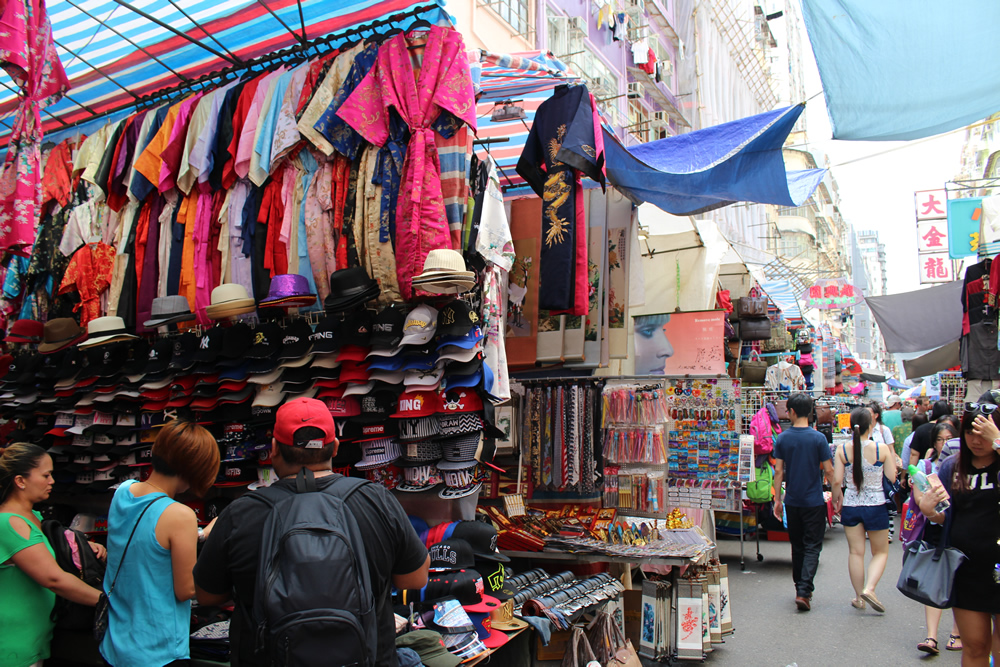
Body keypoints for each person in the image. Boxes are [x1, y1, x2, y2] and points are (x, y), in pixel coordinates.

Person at [194, 397, 430, 667]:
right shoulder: (375, 501)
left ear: (273, 449)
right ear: (336, 447)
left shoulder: (241, 514)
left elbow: (208, 596)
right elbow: (415, 578)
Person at [101, 420, 221, 667]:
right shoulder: (180, 515)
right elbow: (186, 590)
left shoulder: (123, 491)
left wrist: (198, 535)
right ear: (194, 468)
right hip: (158, 651)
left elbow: (147, 538)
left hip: (114, 644)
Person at [1, 443, 104, 667]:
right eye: (46, 475)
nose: (52, 481)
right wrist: (108, 602)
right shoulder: (10, 523)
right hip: (11, 646)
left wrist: (88, 550)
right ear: (20, 481)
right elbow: (53, 578)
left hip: (32, 642)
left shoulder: (33, 517)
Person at [917, 398, 1000, 667]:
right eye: (969, 433)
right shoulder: (953, 466)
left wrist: (998, 441)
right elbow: (947, 516)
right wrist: (930, 511)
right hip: (967, 569)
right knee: (975, 646)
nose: (976, 440)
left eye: (983, 433)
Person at [772, 392, 843, 611]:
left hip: (792, 501)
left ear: (791, 412)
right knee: (813, 545)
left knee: (798, 546)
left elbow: (779, 471)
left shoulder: (783, 437)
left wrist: (777, 499)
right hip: (814, 501)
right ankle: (804, 590)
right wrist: (837, 494)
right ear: (810, 412)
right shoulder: (818, 438)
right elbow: (829, 471)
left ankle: (800, 588)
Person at [833, 407, 895, 613]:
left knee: (855, 553)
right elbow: (892, 477)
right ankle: (870, 588)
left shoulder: (842, 450)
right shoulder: (882, 449)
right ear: (872, 425)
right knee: (880, 552)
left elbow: (836, 481)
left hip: (851, 505)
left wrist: (836, 500)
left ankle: (859, 597)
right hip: (876, 506)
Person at [912, 421, 962, 655]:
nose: (945, 444)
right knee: (935, 580)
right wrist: (931, 507)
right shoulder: (927, 465)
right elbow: (920, 500)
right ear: (934, 442)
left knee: (959, 579)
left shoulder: (966, 468)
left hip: (961, 532)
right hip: (935, 529)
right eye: (941, 439)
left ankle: (956, 632)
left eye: (949, 439)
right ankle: (931, 636)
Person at [909, 400, 954, 467]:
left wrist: (912, 473)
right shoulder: (952, 428)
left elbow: (914, 454)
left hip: (924, 470)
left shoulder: (921, 429)